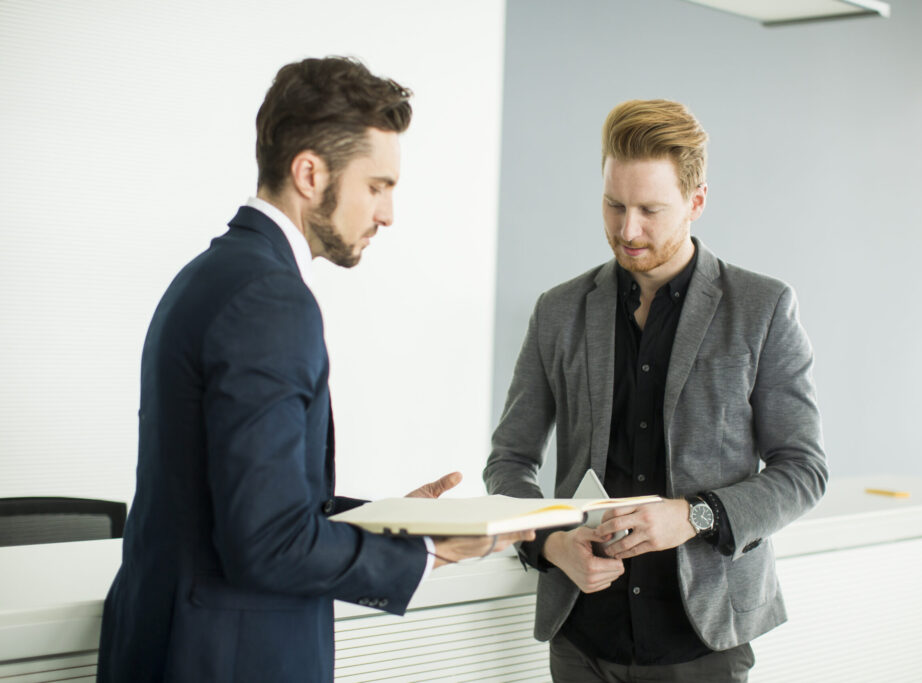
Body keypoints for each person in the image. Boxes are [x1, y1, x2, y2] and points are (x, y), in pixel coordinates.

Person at [97, 56, 531, 683]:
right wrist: (430, 551)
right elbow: (265, 543)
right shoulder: (269, 300)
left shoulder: (213, 274)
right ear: (309, 173)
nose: (388, 214)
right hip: (227, 657)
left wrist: (392, 521)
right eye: (378, 186)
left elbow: (238, 502)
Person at [484, 99, 828, 683]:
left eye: (650, 209)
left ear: (696, 202)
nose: (627, 229)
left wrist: (694, 516)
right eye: (614, 205)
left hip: (703, 640)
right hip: (582, 638)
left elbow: (802, 470)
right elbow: (509, 461)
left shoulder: (762, 308)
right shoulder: (558, 311)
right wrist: (549, 542)